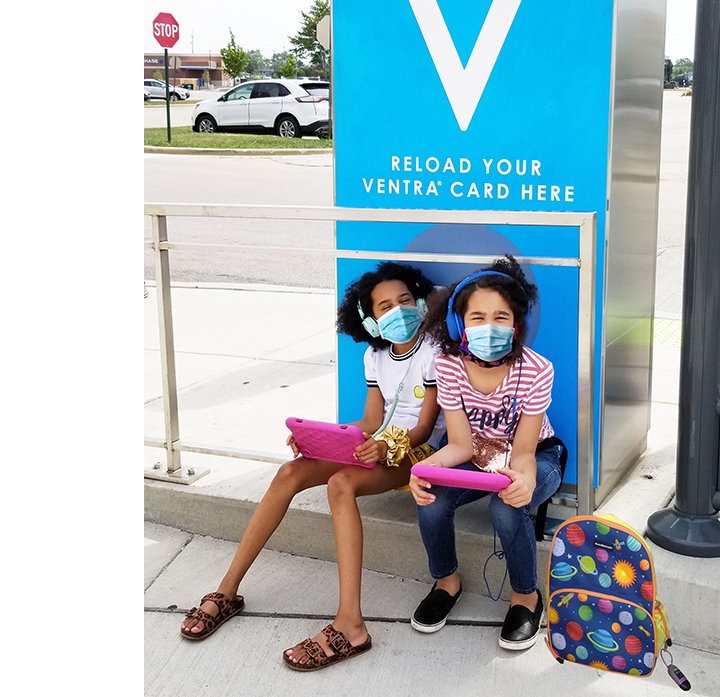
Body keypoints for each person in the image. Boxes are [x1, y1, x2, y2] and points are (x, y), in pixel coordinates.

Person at [180, 261, 445, 671]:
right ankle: (227, 590)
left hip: (415, 453)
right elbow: (371, 421)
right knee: (291, 471)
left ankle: (351, 624)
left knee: (340, 483)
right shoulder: (375, 356)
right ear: (371, 321)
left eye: (405, 301)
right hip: (377, 444)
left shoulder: (433, 351)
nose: (397, 311)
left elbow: (426, 429)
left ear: (421, 301)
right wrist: (321, 436)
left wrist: (381, 447)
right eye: (384, 307)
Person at [408, 254, 562, 651]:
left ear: (516, 326)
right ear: (460, 324)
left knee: (505, 506)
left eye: (501, 317)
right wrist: (423, 466)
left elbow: (526, 450)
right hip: (473, 454)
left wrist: (524, 479)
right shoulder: (448, 365)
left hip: (535, 456)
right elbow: (458, 444)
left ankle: (527, 596)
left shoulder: (537, 369)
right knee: (432, 500)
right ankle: (446, 582)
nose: (489, 327)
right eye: (477, 317)